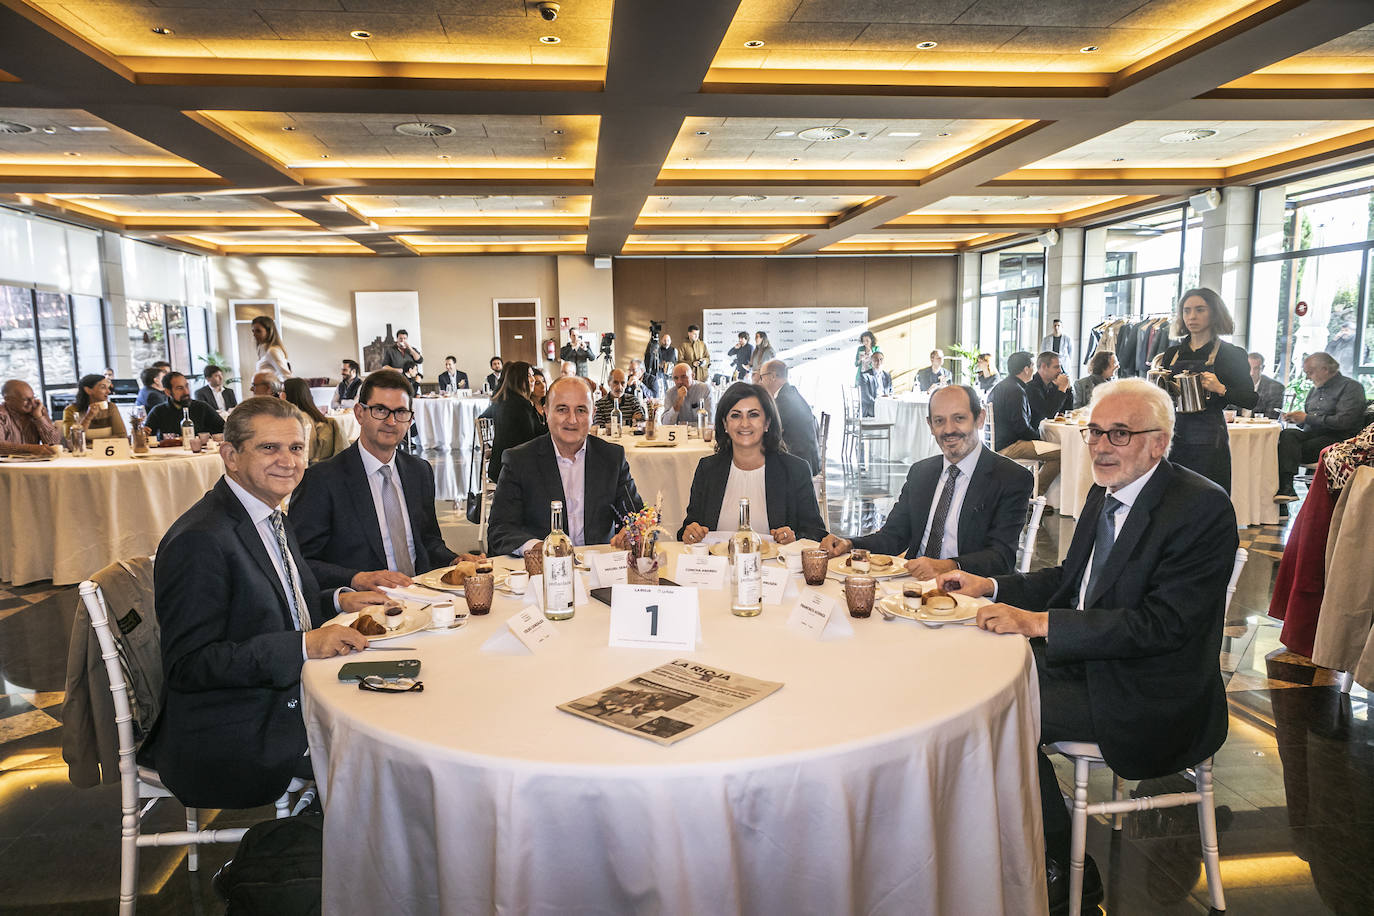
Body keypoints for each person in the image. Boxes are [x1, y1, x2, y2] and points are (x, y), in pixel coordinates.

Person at [936, 379, 1237, 916]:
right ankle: (1002, 843)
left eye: (1119, 434)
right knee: (960, 674)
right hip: (1092, 663)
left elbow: (1161, 627)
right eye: (1094, 432)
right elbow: (1071, 582)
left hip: (1154, 692)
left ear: (1158, 442)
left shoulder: (1200, 510)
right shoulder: (1108, 491)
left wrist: (1042, 625)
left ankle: (1055, 864)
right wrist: (993, 586)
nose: (1100, 446)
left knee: (996, 712)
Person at [139, 396, 385, 808]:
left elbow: (284, 603)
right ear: (231, 456)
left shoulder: (269, 513)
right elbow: (190, 665)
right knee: (379, 746)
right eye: (269, 448)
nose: (288, 461)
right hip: (236, 724)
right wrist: (303, 646)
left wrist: (342, 600)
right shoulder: (201, 539)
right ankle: (336, 845)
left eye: (296, 448)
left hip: (284, 691)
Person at [292, 368, 477, 589]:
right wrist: (356, 578)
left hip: (422, 596)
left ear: (410, 420)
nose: (391, 421)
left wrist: (452, 560)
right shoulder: (322, 480)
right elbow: (300, 563)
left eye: (400, 412)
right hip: (362, 607)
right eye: (380, 410)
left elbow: (428, 541)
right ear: (359, 413)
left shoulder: (419, 471)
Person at [821, 385, 1032, 578]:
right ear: (930, 425)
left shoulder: (1010, 478)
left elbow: (1001, 558)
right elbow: (893, 537)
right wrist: (849, 544)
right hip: (913, 587)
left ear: (979, 419)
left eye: (959, 418)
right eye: (939, 421)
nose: (949, 430)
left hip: (972, 593)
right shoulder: (921, 473)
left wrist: (949, 566)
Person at [487, 376, 644, 556]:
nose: (572, 420)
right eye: (562, 409)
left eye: (581, 410)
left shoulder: (611, 458)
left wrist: (633, 530)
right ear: (546, 412)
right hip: (542, 572)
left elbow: (636, 515)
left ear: (593, 415)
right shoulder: (520, 460)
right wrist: (538, 548)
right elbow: (500, 529)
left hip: (598, 572)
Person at [679, 382, 826, 544]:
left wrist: (794, 537)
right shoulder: (708, 469)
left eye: (753, 414)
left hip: (775, 567)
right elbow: (689, 528)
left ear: (767, 423)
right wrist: (691, 532)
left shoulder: (795, 470)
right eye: (735, 415)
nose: (744, 423)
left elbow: (816, 533)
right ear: (725, 424)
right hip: (718, 566)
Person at [1156, 288, 1255, 492]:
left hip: (1209, 437)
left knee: (1208, 496)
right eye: (1187, 310)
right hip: (1174, 434)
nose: (1192, 316)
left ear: (1214, 313)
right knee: (1172, 495)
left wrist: (1221, 389)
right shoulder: (1172, 354)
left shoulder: (1231, 354)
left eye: (1200, 310)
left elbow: (1250, 399)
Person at [1275, 352, 1368, 500]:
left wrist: (1307, 418)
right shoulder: (1315, 389)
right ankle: (1286, 487)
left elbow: (1344, 422)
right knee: (1287, 435)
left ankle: (1285, 491)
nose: (1307, 377)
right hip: (1313, 435)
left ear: (1325, 369)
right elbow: (1310, 419)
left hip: (1338, 439)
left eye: (1310, 373)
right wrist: (1300, 420)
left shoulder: (1351, 387)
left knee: (1287, 449)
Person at [990, 351, 1061, 496]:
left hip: (997, 443)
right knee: (1062, 453)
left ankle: (1031, 491)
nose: (1034, 370)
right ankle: (1033, 493)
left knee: (1047, 448)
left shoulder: (1002, 386)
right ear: (1026, 369)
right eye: (1033, 366)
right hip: (1010, 446)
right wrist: (1040, 439)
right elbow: (1021, 427)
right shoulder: (1016, 390)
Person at [757, 359, 821, 475]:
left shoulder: (784, 400)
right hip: (804, 458)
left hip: (800, 463)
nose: (760, 382)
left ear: (772, 376)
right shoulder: (789, 393)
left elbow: (768, 431)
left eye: (761, 377)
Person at [487, 360, 545, 483]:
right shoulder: (520, 404)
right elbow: (530, 438)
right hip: (512, 468)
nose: (533, 379)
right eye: (529, 375)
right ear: (519, 379)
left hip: (499, 465)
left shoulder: (504, 399)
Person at [283, 377, 349, 465]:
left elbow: (306, 453)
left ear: (287, 394)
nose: (279, 394)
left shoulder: (299, 419)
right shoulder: (310, 415)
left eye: (282, 391)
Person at [145, 372, 226, 437]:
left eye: (187, 386)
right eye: (180, 388)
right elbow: (147, 435)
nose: (186, 392)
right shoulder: (158, 412)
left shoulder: (202, 407)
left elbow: (225, 429)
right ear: (167, 392)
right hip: (171, 455)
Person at [0, 379, 61, 456]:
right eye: (26, 399)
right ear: (7, 399)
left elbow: (55, 444)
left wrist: (39, 418)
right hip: (7, 467)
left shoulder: (38, 410)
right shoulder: (2, 414)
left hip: (36, 464)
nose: (32, 403)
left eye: (33, 397)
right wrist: (31, 449)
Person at [62, 374, 128, 443]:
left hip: (110, 451)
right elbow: (71, 441)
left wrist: (95, 444)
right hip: (85, 453)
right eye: (103, 387)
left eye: (107, 387)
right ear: (88, 390)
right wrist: (88, 417)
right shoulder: (71, 410)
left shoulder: (111, 407)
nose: (108, 391)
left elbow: (122, 436)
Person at [1233, 351, 1284, 418]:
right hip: (1235, 426)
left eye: (1256, 368)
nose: (1251, 373)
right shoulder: (1234, 384)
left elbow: (1271, 417)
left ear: (1262, 368)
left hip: (1261, 427)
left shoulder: (1275, 387)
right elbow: (1228, 412)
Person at [1027, 351, 1073, 426]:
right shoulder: (1031, 387)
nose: (1060, 370)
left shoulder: (1054, 384)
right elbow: (1048, 414)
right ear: (1044, 367)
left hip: (1053, 429)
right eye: (1056, 367)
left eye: (1060, 367)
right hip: (1036, 433)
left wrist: (1068, 389)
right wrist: (1061, 389)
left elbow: (1068, 410)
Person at [859, 350, 893, 417]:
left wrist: (888, 400)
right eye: (876, 360)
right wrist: (879, 403)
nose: (879, 362)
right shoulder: (865, 376)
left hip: (885, 405)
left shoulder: (887, 376)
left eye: (881, 359)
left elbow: (891, 392)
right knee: (888, 413)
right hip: (871, 406)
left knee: (896, 412)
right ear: (871, 362)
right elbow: (865, 397)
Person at [653, 332, 677, 396]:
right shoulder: (657, 350)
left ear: (670, 341)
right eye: (664, 340)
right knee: (662, 392)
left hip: (670, 375)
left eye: (668, 340)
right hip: (660, 374)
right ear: (661, 340)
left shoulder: (674, 350)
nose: (666, 342)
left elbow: (676, 362)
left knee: (671, 391)